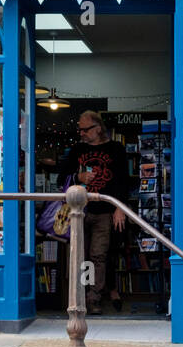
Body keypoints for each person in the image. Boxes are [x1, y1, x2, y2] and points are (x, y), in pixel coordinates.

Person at [56, 111, 131, 314]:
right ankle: (79, 297)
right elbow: (60, 179)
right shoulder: (77, 150)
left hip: (105, 212)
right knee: (80, 256)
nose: (81, 133)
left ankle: (93, 298)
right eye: (79, 129)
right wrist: (77, 176)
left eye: (85, 129)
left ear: (98, 128)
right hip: (78, 211)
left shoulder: (116, 149)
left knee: (98, 255)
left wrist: (119, 208)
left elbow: (124, 181)